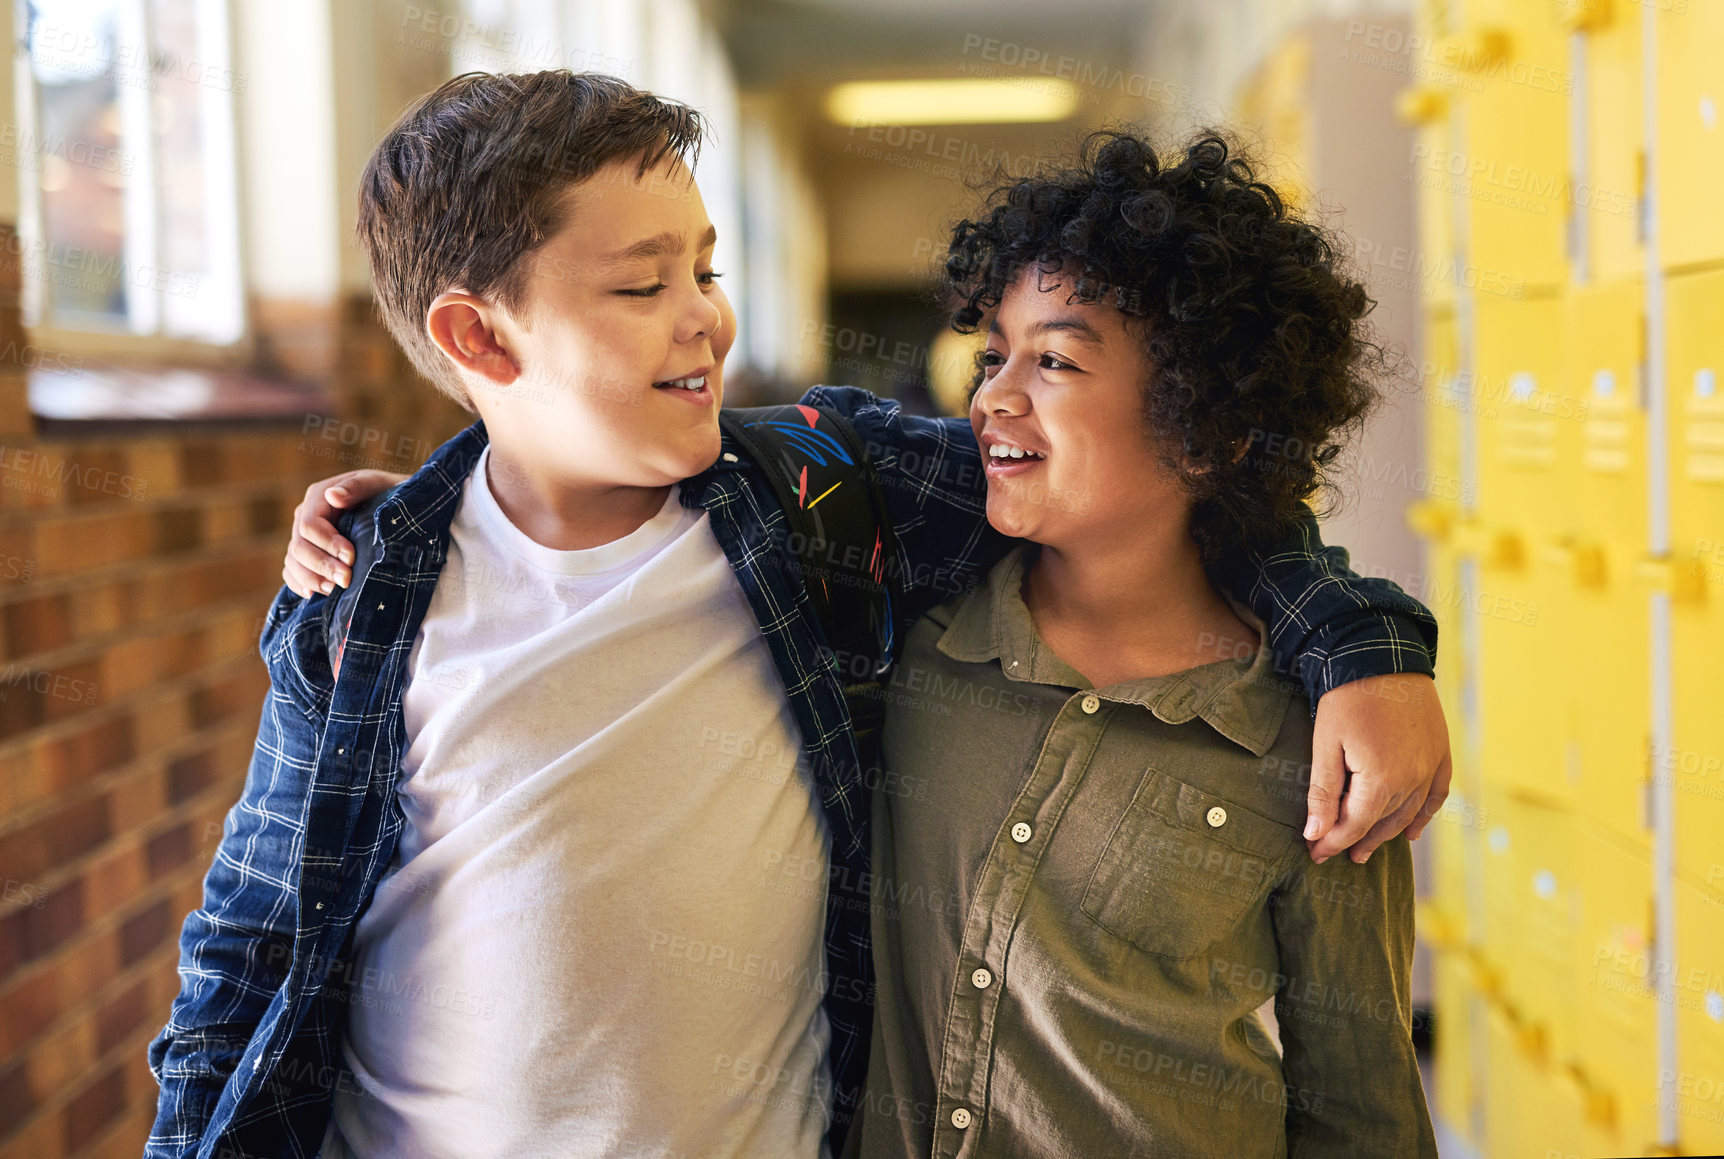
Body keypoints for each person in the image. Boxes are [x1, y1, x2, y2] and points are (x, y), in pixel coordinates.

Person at [190, 70, 1448, 1159]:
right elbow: (248, 940)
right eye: (642, 287)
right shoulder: (366, 600)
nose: (704, 315)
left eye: (705, 268)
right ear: (479, 336)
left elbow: (1162, 486)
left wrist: (1358, 642)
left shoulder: (817, 498)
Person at [850, 131, 1438, 1157]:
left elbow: (1361, 1108)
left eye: (1056, 359)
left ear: (1204, 429)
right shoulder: (909, 639)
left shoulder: (1316, 747)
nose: (991, 393)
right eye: (995, 352)